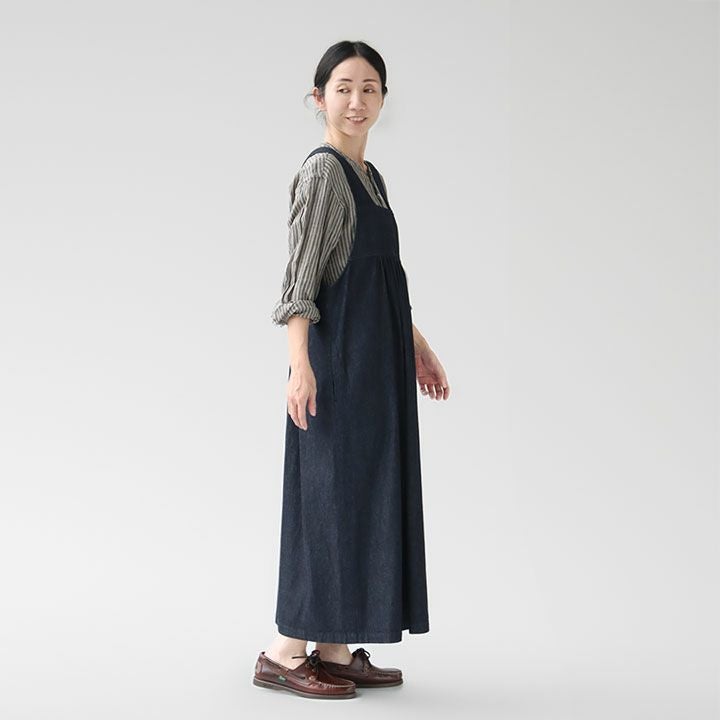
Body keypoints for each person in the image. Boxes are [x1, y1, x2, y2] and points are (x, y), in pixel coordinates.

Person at [253, 40, 451, 700]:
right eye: (343, 88)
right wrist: (300, 367)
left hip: (376, 368)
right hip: (336, 368)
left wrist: (417, 345)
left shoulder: (371, 178)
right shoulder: (323, 175)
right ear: (319, 99)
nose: (356, 100)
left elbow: (382, 280)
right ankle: (284, 652)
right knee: (326, 501)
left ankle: (333, 648)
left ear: (384, 99)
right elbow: (300, 285)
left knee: (360, 497)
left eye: (369, 88)